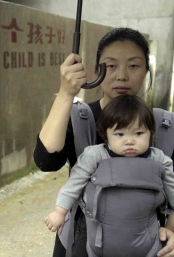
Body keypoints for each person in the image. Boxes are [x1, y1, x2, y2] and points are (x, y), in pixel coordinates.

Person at [33, 27, 174, 257]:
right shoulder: (80, 118)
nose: (121, 75)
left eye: (133, 66)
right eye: (110, 65)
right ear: (96, 70)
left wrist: (171, 230)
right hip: (82, 245)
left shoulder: (165, 125)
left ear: (147, 70)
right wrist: (66, 93)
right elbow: (45, 161)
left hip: (145, 247)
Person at [45, 94, 174, 256]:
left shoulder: (160, 159)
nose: (129, 141)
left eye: (138, 133)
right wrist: (59, 211)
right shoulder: (95, 156)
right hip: (98, 235)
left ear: (151, 132)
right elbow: (74, 184)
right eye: (120, 134)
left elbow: (172, 189)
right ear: (106, 134)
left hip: (143, 236)